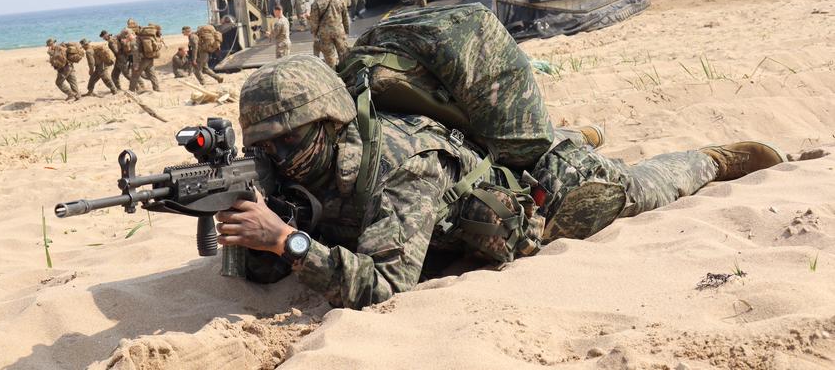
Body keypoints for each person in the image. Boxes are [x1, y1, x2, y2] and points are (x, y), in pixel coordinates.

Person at [215, 55, 786, 310]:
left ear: (331, 123)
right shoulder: (299, 166)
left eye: (287, 140)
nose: (277, 156)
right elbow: (268, 261)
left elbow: (385, 286)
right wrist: (247, 229)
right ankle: (577, 131)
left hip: (543, 198)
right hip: (459, 196)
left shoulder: (403, 162)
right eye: (263, 146)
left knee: (636, 191)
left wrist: (287, 241)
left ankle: (708, 159)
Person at [308, 0, 350, 68]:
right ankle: (346, 74)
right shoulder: (339, 0)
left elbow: (314, 22)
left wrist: (314, 33)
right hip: (339, 31)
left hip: (324, 34)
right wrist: (346, 30)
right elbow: (345, 17)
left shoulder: (316, 3)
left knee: (329, 58)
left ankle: (334, 76)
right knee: (344, 55)